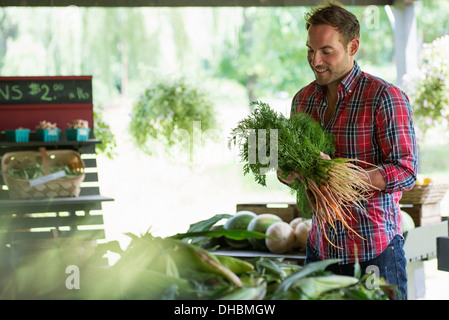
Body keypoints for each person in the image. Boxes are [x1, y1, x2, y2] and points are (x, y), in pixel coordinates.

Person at [277, 1, 418, 299]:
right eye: (310, 50)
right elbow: (291, 174)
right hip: (320, 250)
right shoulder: (302, 100)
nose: (315, 60)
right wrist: (289, 171)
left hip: (373, 251)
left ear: (352, 46)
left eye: (327, 51)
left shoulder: (384, 97)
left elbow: (406, 170)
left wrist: (339, 173)